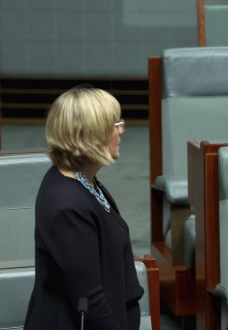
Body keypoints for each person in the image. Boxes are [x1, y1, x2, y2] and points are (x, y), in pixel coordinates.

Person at [24, 86, 144, 330]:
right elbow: (91, 302)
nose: (122, 129)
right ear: (90, 135)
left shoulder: (84, 179)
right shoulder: (65, 205)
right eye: (115, 124)